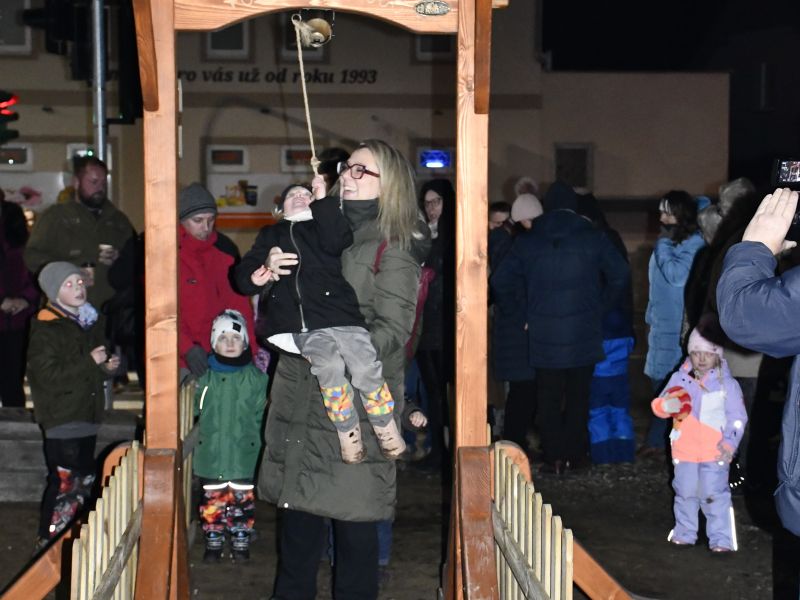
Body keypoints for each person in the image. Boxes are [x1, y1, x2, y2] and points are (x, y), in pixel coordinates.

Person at [257, 139, 430, 599]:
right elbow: (285, 302)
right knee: (297, 534)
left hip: (353, 403)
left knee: (354, 530)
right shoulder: (311, 226)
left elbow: (392, 330)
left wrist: (327, 345)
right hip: (301, 393)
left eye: (361, 170)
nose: (347, 176)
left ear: (388, 184)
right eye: (347, 167)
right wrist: (271, 271)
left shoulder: (393, 244)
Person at [235, 181, 406, 463]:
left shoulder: (321, 225)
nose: (300, 197)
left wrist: (324, 201)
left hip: (340, 314)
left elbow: (339, 240)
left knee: (365, 365)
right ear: (280, 209)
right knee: (329, 368)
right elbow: (244, 274)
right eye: (292, 195)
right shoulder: (271, 234)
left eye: (306, 194)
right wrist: (260, 271)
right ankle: (347, 432)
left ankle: (385, 425)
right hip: (304, 324)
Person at [491, 181, 630, 475]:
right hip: (583, 330)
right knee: (579, 397)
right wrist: (600, 307)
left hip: (543, 332)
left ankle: (553, 456)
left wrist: (521, 314)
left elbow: (500, 281)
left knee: (548, 398)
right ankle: (574, 456)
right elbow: (620, 274)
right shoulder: (593, 237)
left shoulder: (529, 241)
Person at [717, 187, 800, 537]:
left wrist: (756, 246)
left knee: (744, 414)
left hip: (748, 358)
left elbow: (745, 313)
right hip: (744, 358)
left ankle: (739, 473)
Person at [27, 262, 120, 549]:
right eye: (68, 284)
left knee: (83, 481)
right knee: (65, 483)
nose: (78, 288)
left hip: (86, 414)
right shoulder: (47, 328)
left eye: (79, 282)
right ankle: (51, 542)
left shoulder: (87, 321)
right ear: (53, 291)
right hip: (62, 416)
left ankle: (74, 539)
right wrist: (90, 362)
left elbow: (90, 370)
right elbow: (48, 376)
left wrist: (106, 368)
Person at [650, 328, 746, 552]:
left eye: (708, 354)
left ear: (717, 355)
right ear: (689, 353)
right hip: (684, 450)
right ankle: (684, 533)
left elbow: (737, 417)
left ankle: (721, 539)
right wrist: (667, 405)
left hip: (715, 452)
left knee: (714, 495)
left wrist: (730, 443)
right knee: (685, 492)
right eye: (696, 353)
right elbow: (660, 406)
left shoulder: (727, 385)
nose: (701, 359)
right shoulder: (679, 379)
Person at [193, 309, 268, 563]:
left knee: (241, 500)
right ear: (214, 344)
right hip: (211, 453)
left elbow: (260, 415)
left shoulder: (256, 380)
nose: (230, 343)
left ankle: (241, 535)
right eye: (223, 338)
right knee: (212, 499)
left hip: (243, 453)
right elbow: (194, 408)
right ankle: (213, 536)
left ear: (245, 343)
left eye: (236, 338)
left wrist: (261, 444)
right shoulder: (205, 379)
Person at [640, 191, 705, 457]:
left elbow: (676, 276)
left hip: (677, 327)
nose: (662, 218)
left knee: (672, 384)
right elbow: (656, 284)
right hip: (660, 326)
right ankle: (659, 440)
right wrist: (649, 317)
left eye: (667, 212)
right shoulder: (668, 243)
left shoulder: (693, 244)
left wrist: (664, 244)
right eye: (661, 212)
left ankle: (669, 442)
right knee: (662, 384)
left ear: (681, 215)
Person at [24, 156, 135, 310]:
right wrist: (66, 273)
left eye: (103, 183)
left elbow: (137, 258)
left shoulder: (118, 220)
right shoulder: (56, 216)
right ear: (76, 183)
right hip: (66, 310)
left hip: (110, 311)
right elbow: (31, 256)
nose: (100, 188)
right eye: (93, 182)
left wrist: (120, 257)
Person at [576, 193, 636, 464]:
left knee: (598, 404)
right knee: (619, 402)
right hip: (621, 331)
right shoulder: (613, 240)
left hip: (599, 334)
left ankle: (601, 453)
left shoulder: (590, 242)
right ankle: (624, 451)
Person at [178, 182, 257, 381]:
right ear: (181, 220)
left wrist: (251, 353)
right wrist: (186, 348)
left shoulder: (224, 256)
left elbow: (241, 310)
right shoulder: (168, 259)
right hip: (178, 357)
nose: (206, 228)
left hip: (221, 356)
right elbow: (162, 314)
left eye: (211, 220)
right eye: (198, 220)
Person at [489, 192, 542, 455]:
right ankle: (514, 444)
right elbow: (503, 284)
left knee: (521, 391)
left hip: (511, 328)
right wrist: (523, 316)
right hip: (516, 330)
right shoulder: (511, 246)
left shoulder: (505, 245)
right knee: (523, 390)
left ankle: (514, 441)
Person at [414, 179, 456, 471]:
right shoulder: (423, 235)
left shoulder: (453, 236)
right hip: (425, 324)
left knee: (447, 392)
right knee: (433, 392)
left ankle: (450, 450)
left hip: (446, 325)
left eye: (436, 201)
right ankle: (438, 449)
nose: (431, 208)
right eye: (427, 203)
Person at [0, 194, 39, 407]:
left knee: (13, 383)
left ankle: (14, 423)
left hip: (18, 322)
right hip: (16, 319)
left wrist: (25, 300)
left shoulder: (23, 245)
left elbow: (36, 278)